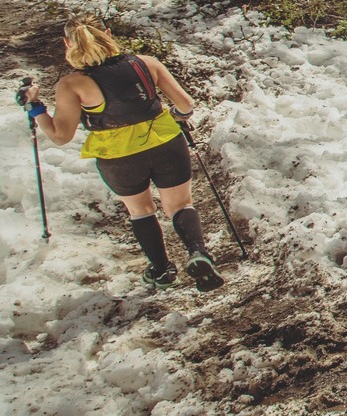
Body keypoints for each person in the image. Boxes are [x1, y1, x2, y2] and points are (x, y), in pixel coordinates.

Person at [21, 19, 221, 290]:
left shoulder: (72, 84)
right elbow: (185, 104)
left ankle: (161, 270)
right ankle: (198, 252)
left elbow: (60, 136)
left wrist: (35, 106)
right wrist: (178, 116)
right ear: (108, 35)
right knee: (180, 204)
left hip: (118, 157)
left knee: (140, 210)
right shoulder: (146, 63)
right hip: (166, 143)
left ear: (67, 44)